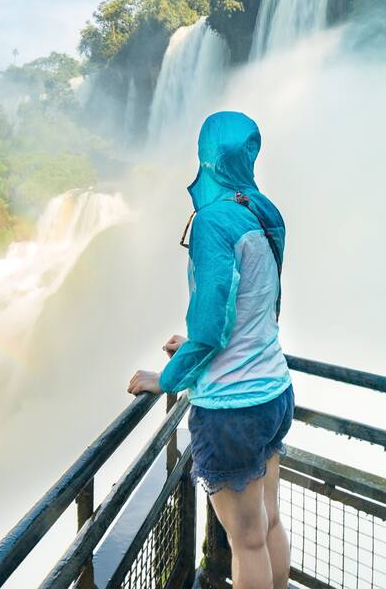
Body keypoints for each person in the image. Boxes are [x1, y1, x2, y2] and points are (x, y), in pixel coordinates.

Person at [128, 110, 293, 589]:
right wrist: (197, 348)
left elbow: (210, 325)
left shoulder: (214, 222)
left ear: (207, 157)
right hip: (274, 392)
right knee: (268, 524)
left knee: (246, 543)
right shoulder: (261, 214)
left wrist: (169, 376)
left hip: (233, 408)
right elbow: (257, 309)